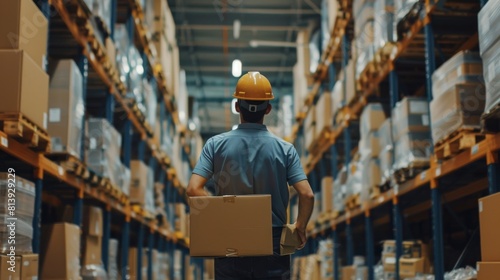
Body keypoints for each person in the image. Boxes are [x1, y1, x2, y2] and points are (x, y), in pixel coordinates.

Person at [187, 71, 314, 280]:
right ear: (269, 109)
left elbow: (193, 189)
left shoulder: (215, 145)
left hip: (230, 238)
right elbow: (307, 195)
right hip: (273, 244)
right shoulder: (285, 149)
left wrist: (223, 214)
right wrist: (300, 227)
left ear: (237, 106)